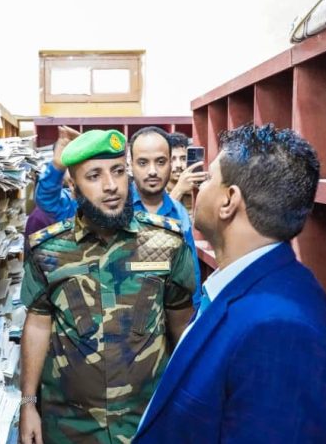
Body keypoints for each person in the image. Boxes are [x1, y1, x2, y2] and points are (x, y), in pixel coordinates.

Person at [134, 124, 326, 443]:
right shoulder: (250, 287)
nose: (200, 187)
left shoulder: (280, 328)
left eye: (209, 179)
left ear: (228, 200)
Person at [19, 129, 196, 444]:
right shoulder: (48, 250)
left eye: (118, 171)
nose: (111, 185)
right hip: (70, 425)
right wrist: (28, 404)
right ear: (74, 186)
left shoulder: (166, 242)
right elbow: (37, 325)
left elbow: (181, 326)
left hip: (147, 417)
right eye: (94, 176)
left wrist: (190, 398)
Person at [35, 126, 200, 293]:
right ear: (131, 165)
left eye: (161, 162)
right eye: (143, 163)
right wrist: (57, 167)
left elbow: (189, 277)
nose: (152, 171)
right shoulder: (108, 205)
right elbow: (48, 201)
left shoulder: (179, 213)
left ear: (170, 164)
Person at [166, 131, 207, 207]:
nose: (178, 165)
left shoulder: (196, 191)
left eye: (183, 159)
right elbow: (160, 213)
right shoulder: (156, 192)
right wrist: (179, 189)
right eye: (172, 159)